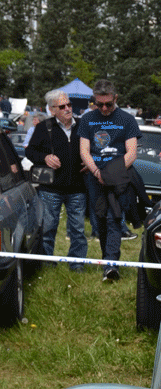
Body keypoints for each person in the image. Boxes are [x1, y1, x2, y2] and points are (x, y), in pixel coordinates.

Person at [78, 80, 140, 281]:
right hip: (95, 177)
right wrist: (97, 172)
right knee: (99, 220)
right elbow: (84, 151)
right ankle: (107, 259)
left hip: (118, 177)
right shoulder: (87, 119)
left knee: (114, 218)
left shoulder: (127, 120)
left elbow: (131, 153)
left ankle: (112, 264)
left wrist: (111, 174)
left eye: (108, 104)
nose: (104, 108)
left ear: (116, 99)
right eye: (99, 104)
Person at [25, 91, 88, 271]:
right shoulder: (44, 127)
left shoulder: (83, 125)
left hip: (77, 187)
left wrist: (90, 161)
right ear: (53, 110)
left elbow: (96, 147)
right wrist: (45, 157)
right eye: (62, 106)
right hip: (50, 188)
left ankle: (77, 264)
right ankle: (46, 263)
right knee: (48, 228)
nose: (68, 109)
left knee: (78, 230)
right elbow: (30, 152)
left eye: (69, 105)